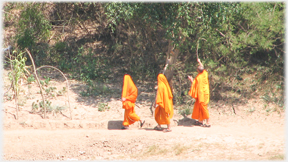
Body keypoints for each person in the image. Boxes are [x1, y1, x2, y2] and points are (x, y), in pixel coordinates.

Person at [188, 58, 211, 127]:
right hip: (205, 93)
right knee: (200, 107)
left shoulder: (199, 77)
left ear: (198, 71)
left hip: (202, 95)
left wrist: (191, 80)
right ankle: (200, 121)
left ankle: (208, 122)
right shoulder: (205, 74)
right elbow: (202, 67)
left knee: (204, 108)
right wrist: (199, 62)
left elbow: (196, 85)